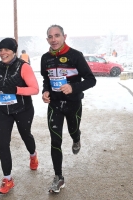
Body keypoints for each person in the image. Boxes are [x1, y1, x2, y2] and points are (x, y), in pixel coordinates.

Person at [40, 25, 96, 193]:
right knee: (55, 141)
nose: (54, 39)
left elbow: (91, 80)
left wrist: (73, 87)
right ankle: (58, 178)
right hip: (55, 105)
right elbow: (46, 80)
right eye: (50, 37)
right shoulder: (45, 58)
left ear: (64, 36)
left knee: (73, 130)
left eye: (57, 35)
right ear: (47, 40)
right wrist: (46, 91)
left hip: (73, 104)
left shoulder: (75, 55)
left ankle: (76, 138)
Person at [0, 38, 39, 194]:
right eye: (0, 50)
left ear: (14, 51)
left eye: (6, 50)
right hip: (3, 109)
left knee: (25, 135)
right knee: (3, 143)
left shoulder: (24, 67)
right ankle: (8, 179)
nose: (3, 53)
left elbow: (35, 89)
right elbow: (0, 81)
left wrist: (17, 90)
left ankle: (33, 155)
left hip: (23, 109)